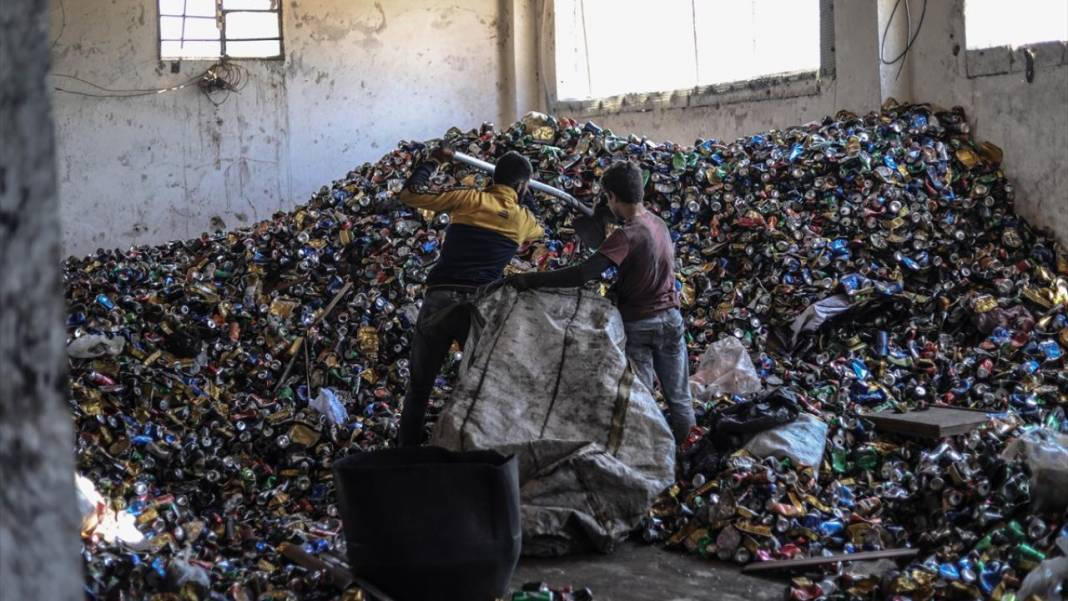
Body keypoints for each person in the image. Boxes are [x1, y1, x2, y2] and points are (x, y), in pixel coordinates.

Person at [505, 161, 696, 444]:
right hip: (671, 320)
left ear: (612, 196)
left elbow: (583, 273)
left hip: (640, 325)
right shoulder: (659, 224)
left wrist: (529, 280)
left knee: (643, 400)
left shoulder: (626, 235)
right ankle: (690, 452)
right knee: (680, 397)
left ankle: (652, 451)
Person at [396, 148, 544, 446]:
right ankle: (467, 447)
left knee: (420, 386)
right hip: (480, 307)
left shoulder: (468, 198)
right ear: (521, 186)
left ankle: (405, 451)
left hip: (439, 298)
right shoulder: (523, 220)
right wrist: (525, 193)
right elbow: (538, 227)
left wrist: (433, 161)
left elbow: (411, 194)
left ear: (493, 178)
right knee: (478, 385)